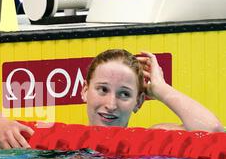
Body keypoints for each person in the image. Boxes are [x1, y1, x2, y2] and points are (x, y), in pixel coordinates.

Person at [81, 49, 223, 131]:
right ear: (85, 91)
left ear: (138, 102)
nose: (111, 105)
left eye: (124, 94)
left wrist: (161, 89)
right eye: (103, 90)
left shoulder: (148, 143)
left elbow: (213, 130)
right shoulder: (63, 147)